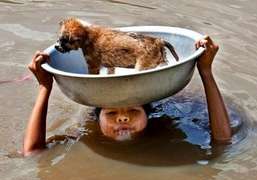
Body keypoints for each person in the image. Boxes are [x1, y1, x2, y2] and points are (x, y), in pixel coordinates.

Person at [22, 36, 231, 156]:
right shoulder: (85, 136)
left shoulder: (167, 130)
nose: (123, 118)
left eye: (133, 110)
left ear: (149, 115)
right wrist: (44, 88)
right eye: (111, 112)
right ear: (97, 119)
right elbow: (33, 152)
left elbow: (222, 141)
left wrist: (206, 72)